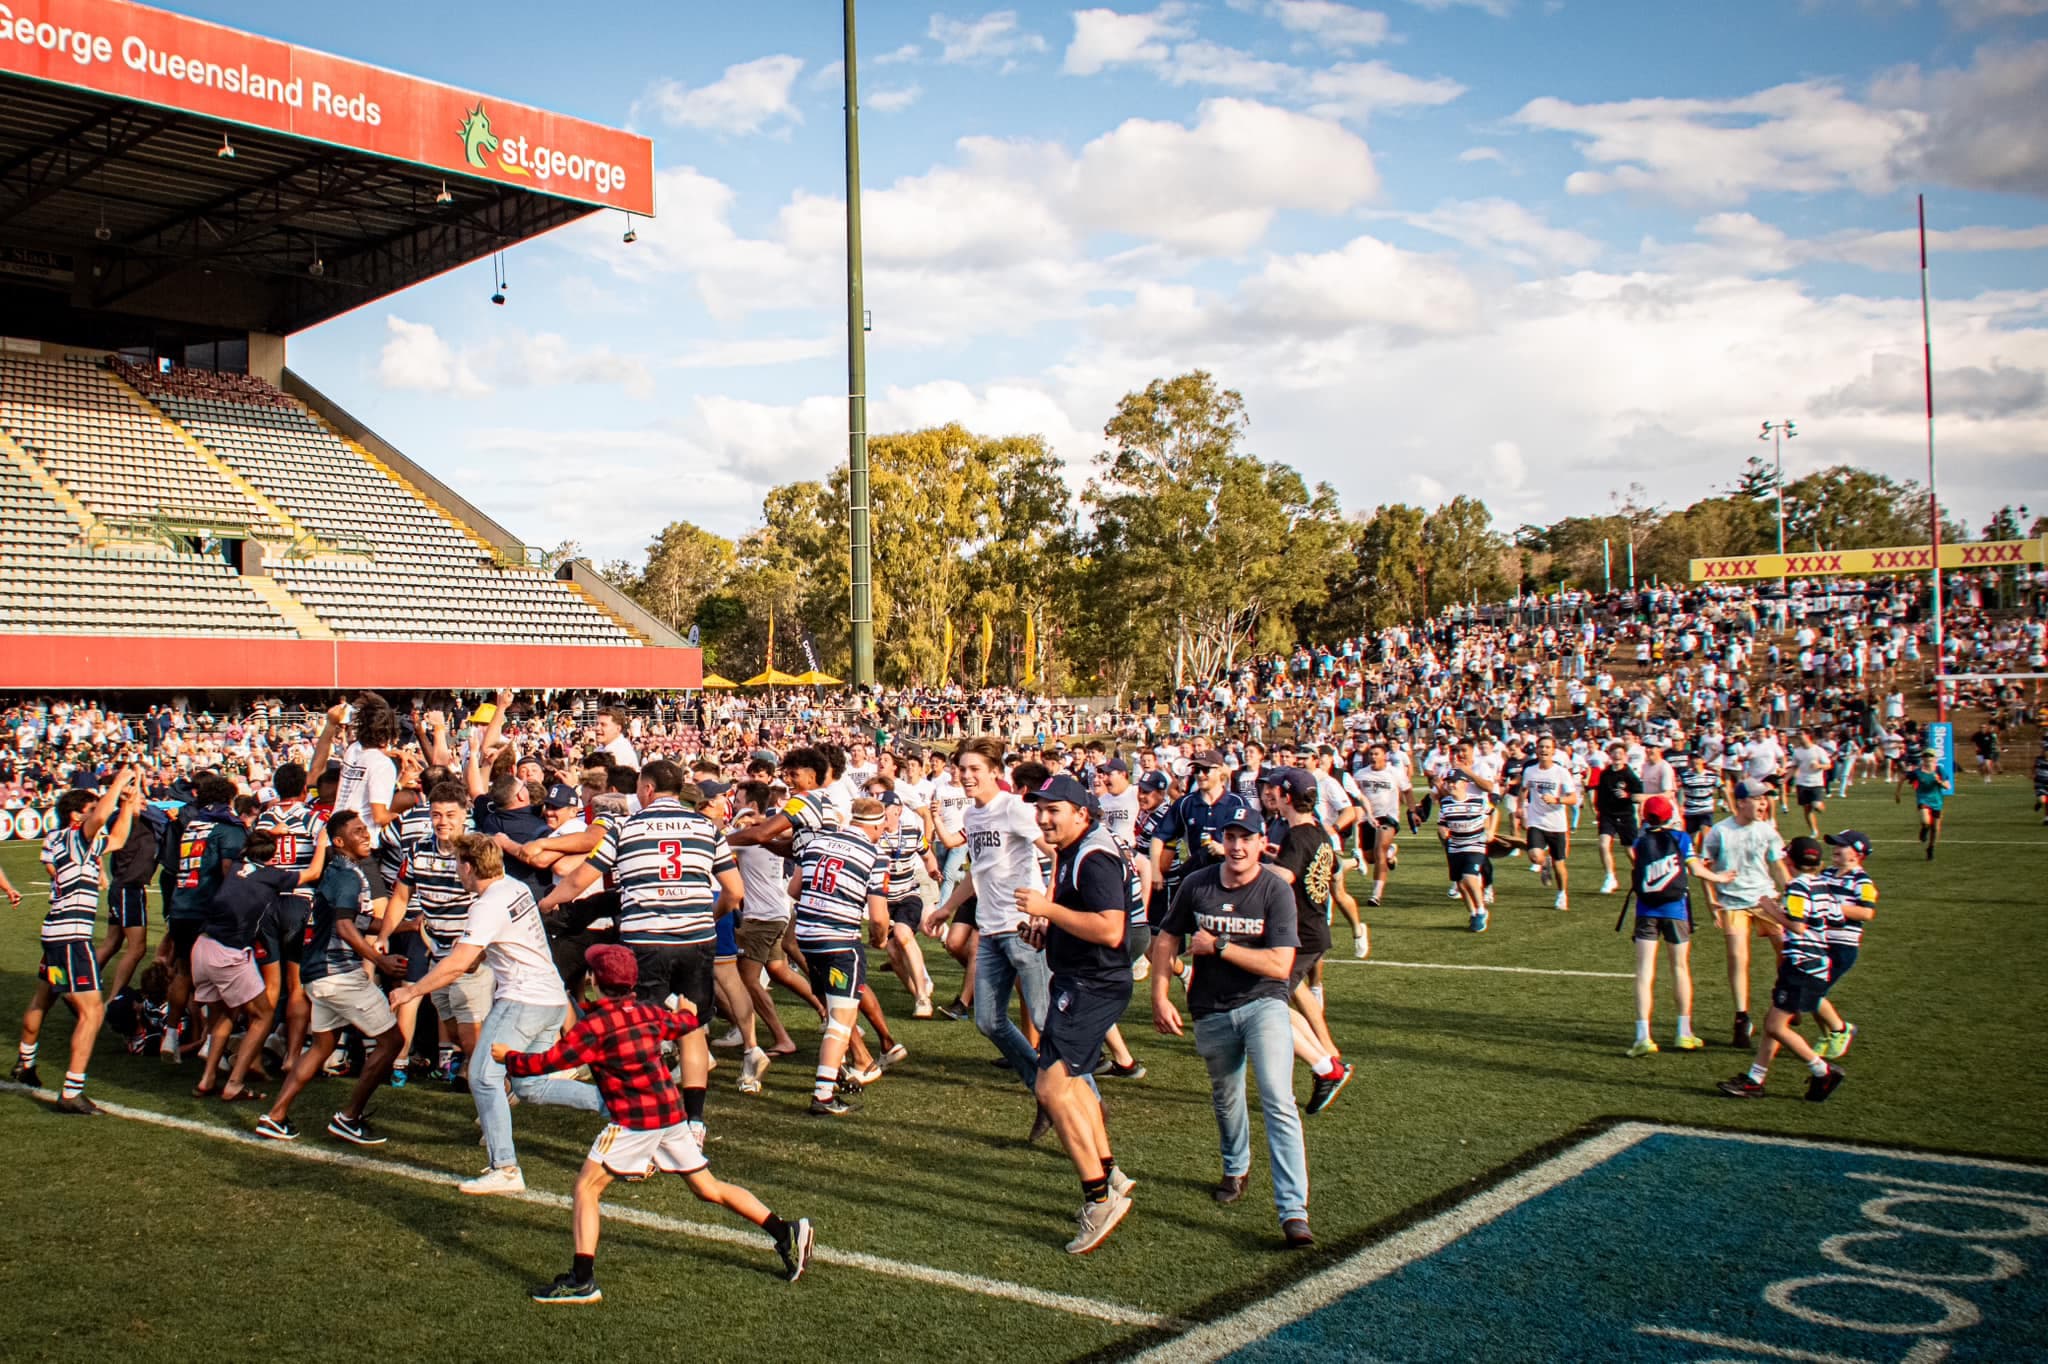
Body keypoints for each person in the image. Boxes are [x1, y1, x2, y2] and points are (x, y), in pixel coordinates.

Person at [499, 944, 812, 1303]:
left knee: (586, 1188)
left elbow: (552, 1061)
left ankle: (582, 1280)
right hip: (670, 1115)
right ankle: (785, 1230)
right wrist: (687, 1010)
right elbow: (683, 1022)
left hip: (634, 1122)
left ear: (596, 981)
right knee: (708, 1188)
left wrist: (508, 1058)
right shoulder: (646, 1012)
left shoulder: (597, 1025)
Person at [540, 761, 744, 1146]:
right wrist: (707, 916)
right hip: (694, 938)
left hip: (646, 937)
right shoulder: (707, 828)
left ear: (646, 789)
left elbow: (582, 878)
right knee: (692, 1026)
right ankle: (695, 1123)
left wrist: (549, 902)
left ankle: (651, 1119)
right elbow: (734, 891)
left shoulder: (625, 828)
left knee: (642, 1030)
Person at [396, 836, 605, 1194]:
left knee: (481, 1076)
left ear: (468, 866)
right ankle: (617, 1103)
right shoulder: (513, 886)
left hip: (524, 1000)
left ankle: (505, 1168)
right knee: (530, 1086)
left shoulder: (487, 905)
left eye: (458, 864)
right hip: (551, 999)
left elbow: (459, 964)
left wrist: (412, 990)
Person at [1149, 808, 1313, 1249]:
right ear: (1222, 839)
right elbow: (1166, 938)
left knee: (1279, 1099)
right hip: (1210, 1007)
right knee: (1226, 1095)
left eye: (1247, 837)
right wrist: (1160, 995)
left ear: (1263, 843)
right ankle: (1235, 1166)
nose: (1238, 846)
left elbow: (1280, 966)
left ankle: (1294, 1211)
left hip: (1263, 1003)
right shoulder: (1197, 884)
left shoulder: (1275, 890)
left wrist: (1220, 946)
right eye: (1231, 836)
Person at [1016, 773, 1137, 1253]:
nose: (1044, 818)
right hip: (1081, 979)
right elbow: (1086, 922)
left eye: (1054, 810)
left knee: (1051, 1087)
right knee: (1073, 1082)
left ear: (1081, 814)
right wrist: (1051, 931)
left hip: (1092, 984)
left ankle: (1098, 1196)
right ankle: (1109, 1174)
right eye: (1040, 809)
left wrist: (1049, 909)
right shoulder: (1075, 848)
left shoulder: (1094, 855)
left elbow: (1110, 930)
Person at [923, 737, 1056, 1136]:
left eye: (974, 769)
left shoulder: (1015, 808)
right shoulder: (975, 816)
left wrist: (1048, 908)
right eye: (961, 768)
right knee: (988, 1021)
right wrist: (946, 907)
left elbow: (1058, 852)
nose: (965, 775)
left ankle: (1087, 1102)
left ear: (995, 772)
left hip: (1023, 929)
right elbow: (978, 871)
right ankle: (1045, 1094)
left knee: (1048, 1024)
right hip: (991, 928)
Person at [257, 810, 410, 1145]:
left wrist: (407, 925)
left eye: (364, 829)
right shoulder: (347, 876)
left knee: (323, 1045)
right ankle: (348, 1117)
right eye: (357, 832)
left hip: (318, 973)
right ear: (339, 842)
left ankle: (276, 1116)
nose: (366, 835)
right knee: (392, 1042)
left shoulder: (339, 870)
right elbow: (344, 927)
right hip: (338, 973)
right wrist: (380, 961)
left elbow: (351, 921)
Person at [12, 767, 136, 1114]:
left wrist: (126, 804)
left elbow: (119, 839)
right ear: (76, 814)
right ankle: (71, 1090)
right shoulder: (75, 837)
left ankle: (25, 1062)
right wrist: (118, 782)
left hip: (55, 933)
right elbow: (101, 819)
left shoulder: (63, 840)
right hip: (71, 937)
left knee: (46, 995)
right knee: (92, 1011)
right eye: (90, 808)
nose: (97, 813)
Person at [1716, 837, 1845, 1102]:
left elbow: (1797, 926)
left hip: (1801, 965)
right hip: (1816, 962)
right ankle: (1755, 1079)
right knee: (1772, 1023)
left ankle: (1822, 1070)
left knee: (1776, 1027)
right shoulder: (1822, 884)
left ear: (1789, 860)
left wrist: (1770, 909)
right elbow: (1835, 919)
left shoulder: (1797, 886)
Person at [788, 799, 891, 1117]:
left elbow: (794, 889)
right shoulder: (875, 855)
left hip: (807, 938)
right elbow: (878, 916)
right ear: (875, 825)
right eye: (883, 825)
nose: (884, 830)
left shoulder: (817, 842)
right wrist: (879, 938)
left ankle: (842, 1072)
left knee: (833, 1011)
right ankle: (822, 1094)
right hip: (840, 943)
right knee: (841, 1021)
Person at [1264, 768, 1352, 1114]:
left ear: (1286, 798)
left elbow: (1284, 878)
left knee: (1268, 1004)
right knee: (1276, 999)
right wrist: (1277, 856)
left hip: (1301, 935)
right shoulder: (1317, 832)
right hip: (1313, 930)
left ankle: (1326, 1068)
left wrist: (1249, 862)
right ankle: (1327, 1060)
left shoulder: (1298, 835)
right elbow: (1321, 870)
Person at [1622, 796, 1723, 1057]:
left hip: (1646, 910)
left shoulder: (1640, 842)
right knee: (1680, 968)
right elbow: (1697, 870)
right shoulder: (1681, 839)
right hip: (1676, 910)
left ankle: (1643, 1035)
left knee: (1644, 972)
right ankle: (1683, 1031)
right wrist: (1719, 877)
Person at [1698, 780, 1790, 1049]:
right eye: (1757, 799)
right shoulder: (1719, 832)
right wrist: (1711, 901)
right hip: (1733, 903)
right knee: (1738, 957)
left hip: (1766, 901)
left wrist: (1794, 896)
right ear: (1740, 802)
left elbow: (1778, 867)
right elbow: (1704, 866)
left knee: (1786, 951)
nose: (1763, 804)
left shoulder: (1768, 831)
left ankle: (1787, 999)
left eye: (1765, 799)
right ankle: (1741, 1018)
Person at [1813, 830, 1878, 1062]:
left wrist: (1831, 908)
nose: (1835, 849)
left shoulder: (1862, 880)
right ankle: (1829, 1034)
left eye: (1841, 846)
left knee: (1812, 991)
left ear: (1857, 854)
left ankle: (1841, 1030)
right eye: (1834, 845)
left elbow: (1867, 912)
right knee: (1812, 991)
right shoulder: (1827, 873)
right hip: (1820, 941)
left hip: (1842, 947)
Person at [1519, 734, 1578, 912]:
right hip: (1536, 820)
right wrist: (1521, 808)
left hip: (1557, 824)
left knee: (1560, 863)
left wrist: (1557, 800)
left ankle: (1562, 894)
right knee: (1535, 856)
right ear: (1536, 750)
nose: (1543, 750)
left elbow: (1574, 798)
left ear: (1553, 751)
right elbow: (1524, 789)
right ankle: (1545, 863)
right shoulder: (1530, 771)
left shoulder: (1561, 772)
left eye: (1547, 747)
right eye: (1541, 747)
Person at [1593, 740, 1643, 896]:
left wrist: (1628, 795)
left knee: (1630, 851)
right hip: (1608, 815)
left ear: (1625, 756)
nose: (1617, 757)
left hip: (1625, 815)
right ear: (1610, 756)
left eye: (1620, 754)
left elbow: (1639, 796)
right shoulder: (1605, 774)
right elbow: (1599, 793)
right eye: (1614, 754)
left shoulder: (1629, 775)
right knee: (1603, 844)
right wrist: (1598, 808)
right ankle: (1610, 877)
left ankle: (1642, 876)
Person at [1896, 749, 1952, 861]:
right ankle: (1924, 829)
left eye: (1930, 756)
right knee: (1926, 821)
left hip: (1937, 801)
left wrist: (1939, 782)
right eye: (1925, 755)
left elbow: (1947, 786)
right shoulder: (1917, 772)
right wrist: (1897, 794)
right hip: (1923, 799)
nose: (1928, 758)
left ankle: (1931, 848)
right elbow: (1902, 778)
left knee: (1935, 829)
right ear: (1922, 758)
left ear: (1935, 759)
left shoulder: (1939, 770)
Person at [1787, 729, 1833, 838]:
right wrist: (1785, 779)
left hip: (1816, 782)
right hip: (1802, 783)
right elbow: (1794, 767)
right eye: (1798, 735)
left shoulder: (1818, 750)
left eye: (1801, 734)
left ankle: (1820, 807)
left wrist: (1819, 766)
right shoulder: (1797, 751)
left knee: (1816, 805)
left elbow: (1828, 765)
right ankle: (1814, 831)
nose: (1799, 737)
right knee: (1807, 809)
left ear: (1808, 736)